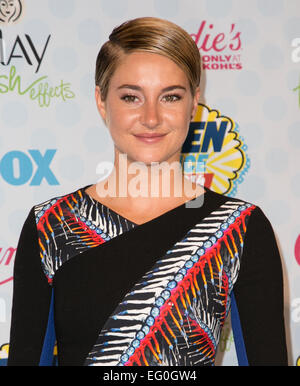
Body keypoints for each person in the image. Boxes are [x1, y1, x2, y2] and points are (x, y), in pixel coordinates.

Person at [7, 16, 287, 366]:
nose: (152, 117)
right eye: (131, 97)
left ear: (194, 103)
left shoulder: (239, 228)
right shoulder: (51, 225)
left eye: (170, 96)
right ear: (101, 101)